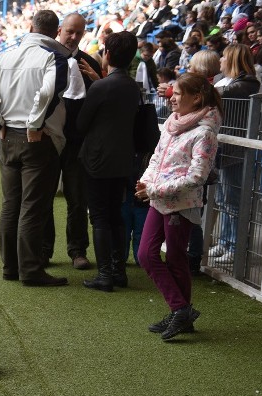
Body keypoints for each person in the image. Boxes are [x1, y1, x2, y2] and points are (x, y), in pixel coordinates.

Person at [0, 10, 71, 287]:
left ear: (30, 26)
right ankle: (31, 270)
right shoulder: (54, 58)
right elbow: (49, 92)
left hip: (8, 137)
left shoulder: (5, 56)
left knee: (10, 205)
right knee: (32, 207)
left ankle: (10, 268)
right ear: (56, 31)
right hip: (36, 139)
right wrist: (34, 124)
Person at [135, 73, 222, 340]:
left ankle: (180, 313)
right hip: (158, 199)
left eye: (178, 94)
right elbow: (157, 158)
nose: (172, 98)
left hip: (180, 205)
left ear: (196, 98)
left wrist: (154, 189)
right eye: (173, 93)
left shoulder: (204, 132)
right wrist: (147, 182)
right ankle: (181, 310)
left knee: (175, 258)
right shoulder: (173, 123)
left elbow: (197, 176)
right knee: (146, 254)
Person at [76, 31, 141, 293]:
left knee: (100, 217)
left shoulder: (101, 87)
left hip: (98, 160)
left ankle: (104, 274)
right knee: (116, 214)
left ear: (108, 54)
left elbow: (82, 123)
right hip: (123, 160)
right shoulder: (132, 86)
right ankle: (118, 271)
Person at [45, 13, 102, 272]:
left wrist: (96, 81)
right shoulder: (45, 60)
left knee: (77, 200)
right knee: (43, 198)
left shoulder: (89, 64)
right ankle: (43, 250)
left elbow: (102, 103)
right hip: (48, 139)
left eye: (79, 33)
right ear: (59, 30)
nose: (73, 37)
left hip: (78, 144)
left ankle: (78, 251)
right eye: (70, 31)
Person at [210, 43, 262, 265]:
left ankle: (235, 246)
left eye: (223, 57)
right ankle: (224, 241)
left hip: (235, 151)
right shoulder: (229, 82)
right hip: (224, 149)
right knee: (222, 201)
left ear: (232, 60)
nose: (220, 60)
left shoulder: (247, 84)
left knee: (233, 202)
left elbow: (218, 93)